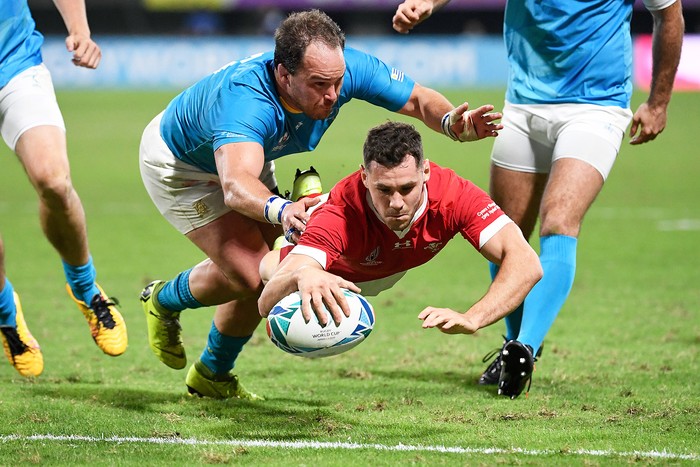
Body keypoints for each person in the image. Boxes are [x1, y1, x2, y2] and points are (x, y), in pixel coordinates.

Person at [138, 9, 504, 400]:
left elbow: (416, 100)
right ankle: (162, 298)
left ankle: (211, 375)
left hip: (249, 156)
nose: (332, 95)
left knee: (276, 267)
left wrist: (450, 122)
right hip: (184, 167)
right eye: (318, 85)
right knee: (249, 275)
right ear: (283, 75)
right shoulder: (246, 102)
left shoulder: (341, 69)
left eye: (337, 82)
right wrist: (282, 209)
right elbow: (234, 185)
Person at [392, 0, 684, 395]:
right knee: (501, 232)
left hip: (595, 107)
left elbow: (669, 12)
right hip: (524, 106)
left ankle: (523, 350)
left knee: (559, 221)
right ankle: (515, 345)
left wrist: (659, 101)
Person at [258, 121, 543, 399]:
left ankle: (301, 230)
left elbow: (526, 262)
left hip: (393, 261)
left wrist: (473, 318)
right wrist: (300, 275)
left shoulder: (453, 195)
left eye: (407, 188)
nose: (396, 203)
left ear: (426, 172)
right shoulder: (340, 214)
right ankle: (296, 232)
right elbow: (264, 303)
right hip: (339, 271)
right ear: (365, 177)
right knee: (259, 270)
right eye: (384, 190)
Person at [0, 0, 128, 378]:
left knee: (53, 180)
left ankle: (86, 290)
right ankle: (7, 313)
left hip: (14, 62)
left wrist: (79, 29)